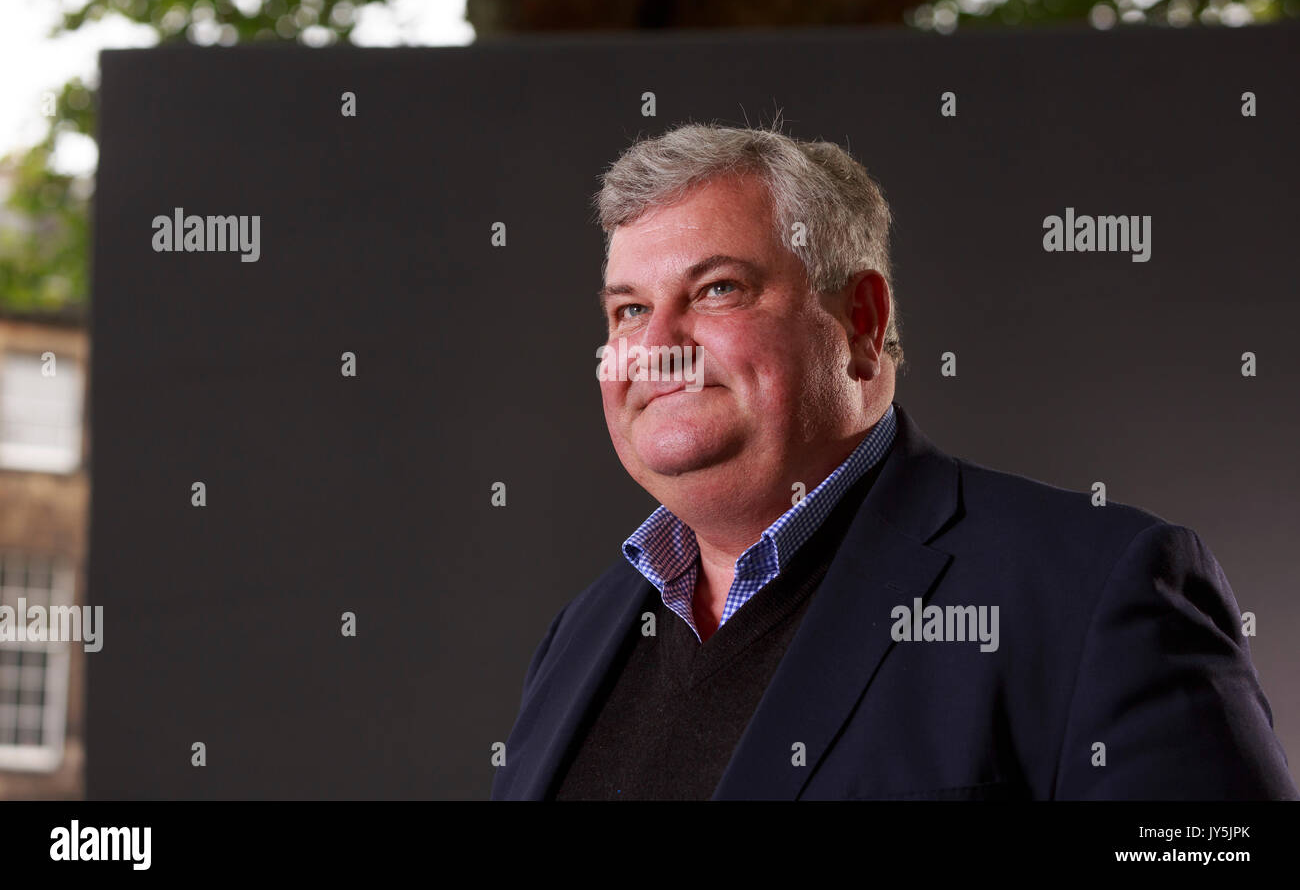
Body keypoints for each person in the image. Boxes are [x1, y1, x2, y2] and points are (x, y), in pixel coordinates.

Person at [491, 122, 1298, 800]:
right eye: (629, 309)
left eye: (718, 290)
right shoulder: (584, 635)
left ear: (862, 324)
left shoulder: (1090, 591)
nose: (657, 347)